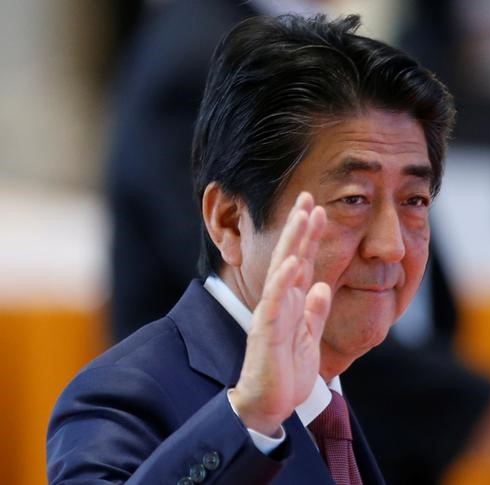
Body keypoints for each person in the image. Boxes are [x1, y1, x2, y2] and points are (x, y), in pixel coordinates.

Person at [47, 13, 455, 483]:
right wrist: (249, 416)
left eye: (414, 201)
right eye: (352, 200)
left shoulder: (338, 400)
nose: (390, 246)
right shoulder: (122, 394)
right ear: (229, 221)